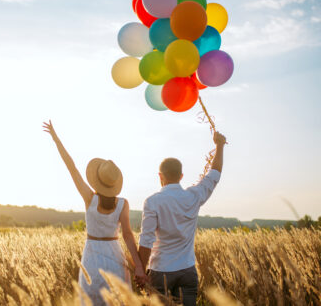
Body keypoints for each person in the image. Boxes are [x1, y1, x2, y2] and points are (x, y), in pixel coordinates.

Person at [43, 120, 146, 305]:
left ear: (97, 180)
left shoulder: (89, 198)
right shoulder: (123, 203)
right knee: (117, 300)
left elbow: (71, 168)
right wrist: (138, 266)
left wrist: (56, 139)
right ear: (115, 184)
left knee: (90, 300)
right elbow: (128, 236)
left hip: (91, 256)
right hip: (115, 256)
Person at [137, 131, 227, 306]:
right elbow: (214, 175)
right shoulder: (194, 196)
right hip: (187, 271)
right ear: (181, 176)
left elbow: (146, 240)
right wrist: (220, 146)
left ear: (160, 176)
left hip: (160, 272)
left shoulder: (152, 202)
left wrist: (141, 270)